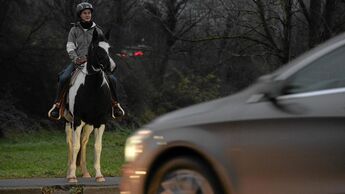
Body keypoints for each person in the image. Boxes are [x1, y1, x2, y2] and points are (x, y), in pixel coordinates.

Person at [48, 2, 125, 120]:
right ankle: (57, 106)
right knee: (64, 77)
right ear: (80, 15)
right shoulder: (74, 30)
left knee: (112, 79)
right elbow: (70, 47)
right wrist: (76, 59)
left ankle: (115, 105)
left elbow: (102, 47)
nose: (87, 15)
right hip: (78, 62)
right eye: (85, 13)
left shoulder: (98, 31)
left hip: (94, 63)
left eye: (89, 13)